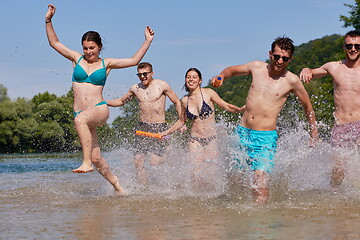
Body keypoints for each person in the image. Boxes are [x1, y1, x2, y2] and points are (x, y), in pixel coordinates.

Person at [45, 4, 154, 193]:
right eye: (85, 48)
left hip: (99, 109)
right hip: (81, 113)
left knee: (80, 121)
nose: (88, 52)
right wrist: (48, 20)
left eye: (92, 48)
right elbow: (54, 43)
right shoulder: (76, 59)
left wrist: (147, 41)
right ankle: (118, 186)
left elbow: (133, 61)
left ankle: (85, 162)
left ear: (99, 47)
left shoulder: (106, 64)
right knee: (97, 159)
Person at [211, 37, 318, 203]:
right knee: (234, 180)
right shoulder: (256, 67)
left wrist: (314, 133)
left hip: (265, 139)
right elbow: (231, 70)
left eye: (285, 58)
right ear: (270, 54)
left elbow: (308, 107)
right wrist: (221, 77)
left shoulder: (292, 81)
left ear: (290, 59)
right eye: (276, 56)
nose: (280, 61)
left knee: (260, 183)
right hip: (242, 132)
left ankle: (262, 224)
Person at [160, 68, 244, 185]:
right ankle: (196, 197)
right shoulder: (185, 100)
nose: (191, 79)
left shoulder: (208, 93)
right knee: (195, 171)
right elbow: (181, 121)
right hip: (195, 140)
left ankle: (212, 196)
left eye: (194, 77)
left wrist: (240, 110)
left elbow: (225, 105)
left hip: (211, 139)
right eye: (188, 77)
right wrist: (166, 132)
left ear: (200, 81)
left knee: (211, 171)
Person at [300, 30, 360, 188]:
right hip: (342, 127)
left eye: (357, 46)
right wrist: (307, 69)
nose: (353, 49)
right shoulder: (334, 67)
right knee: (338, 170)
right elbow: (313, 72)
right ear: (344, 47)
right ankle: (334, 197)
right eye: (349, 46)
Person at [107, 62, 181, 185]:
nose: (142, 77)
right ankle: (144, 188)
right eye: (139, 74)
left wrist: (181, 120)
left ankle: (166, 161)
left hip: (159, 126)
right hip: (142, 127)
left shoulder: (162, 85)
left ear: (152, 73)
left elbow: (177, 101)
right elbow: (120, 101)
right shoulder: (135, 88)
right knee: (138, 162)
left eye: (145, 74)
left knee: (154, 162)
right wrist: (104, 102)